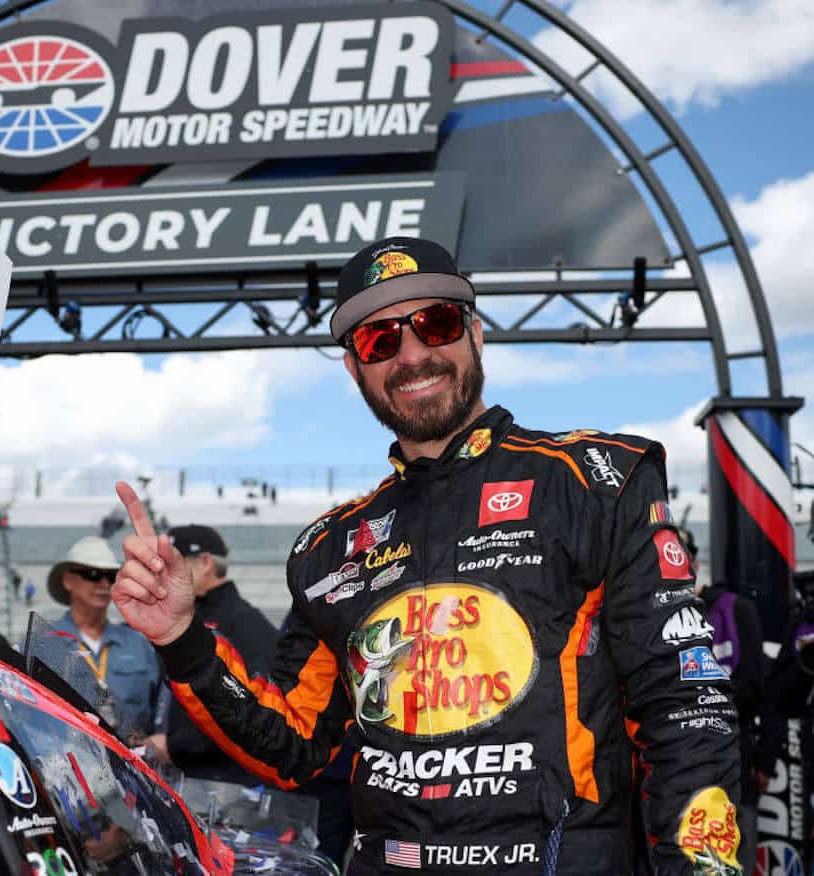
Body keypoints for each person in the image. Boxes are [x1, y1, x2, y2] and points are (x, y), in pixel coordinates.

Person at [109, 236, 742, 875]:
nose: (412, 354)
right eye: (378, 340)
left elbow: (684, 710)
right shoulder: (329, 549)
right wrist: (182, 637)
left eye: (434, 323)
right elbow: (294, 745)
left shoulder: (597, 481)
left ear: (476, 333)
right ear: (356, 370)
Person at [679, 527, 768, 872]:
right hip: (667, 776)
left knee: (732, 863)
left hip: (731, 767)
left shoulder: (735, 609)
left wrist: (693, 699)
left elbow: (754, 689)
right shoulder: (647, 620)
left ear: (696, 561)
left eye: (682, 553)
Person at [164, 524, 279, 783]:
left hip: (228, 789)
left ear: (205, 563)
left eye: (172, 565)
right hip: (195, 781)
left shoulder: (245, 623)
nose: (163, 575)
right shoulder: (195, 618)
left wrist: (174, 745)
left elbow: (253, 716)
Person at [48, 536, 169, 758]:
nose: (103, 584)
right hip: (67, 772)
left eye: (111, 576)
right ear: (67, 580)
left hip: (135, 774)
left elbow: (161, 709)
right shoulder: (44, 643)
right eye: (92, 575)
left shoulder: (139, 644)